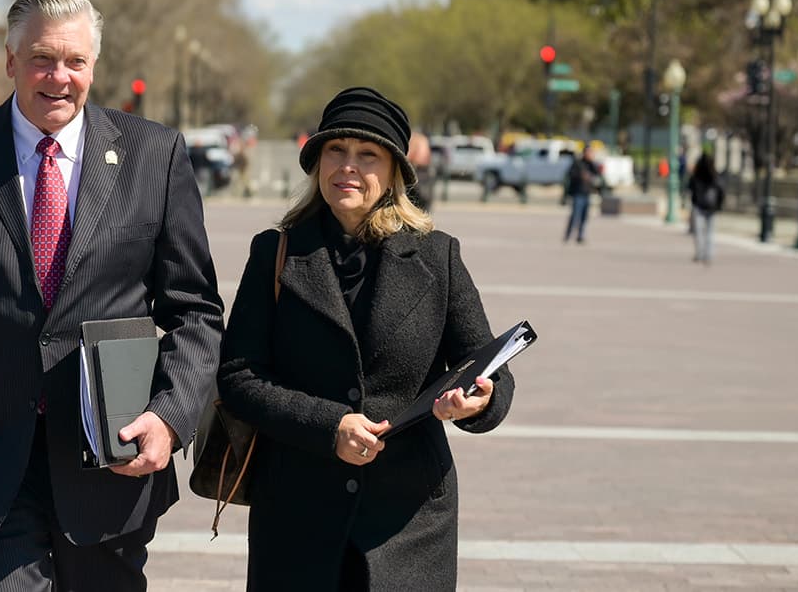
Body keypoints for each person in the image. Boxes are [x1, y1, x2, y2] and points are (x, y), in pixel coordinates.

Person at [0, 0, 224, 591]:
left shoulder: (153, 155)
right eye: (41, 59)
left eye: (76, 62)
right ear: (10, 62)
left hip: (111, 459)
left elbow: (196, 311)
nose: (59, 77)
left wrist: (170, 414)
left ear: (93, 67)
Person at [217, 87, 515, 591]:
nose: (347, 166)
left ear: (395, 171)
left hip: (410, 524)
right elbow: (239, 377)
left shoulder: (438, 257)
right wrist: (329, 425)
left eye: (367, 155)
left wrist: (478, 401)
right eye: (336, 150)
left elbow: (492, 372)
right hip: (297, 516)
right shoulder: (274, 253)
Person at [687, 151, 725, 264]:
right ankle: (708, 255)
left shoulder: (696, 175)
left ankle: (700, 254)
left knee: (699, 232)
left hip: (699, 206)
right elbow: (721, 191)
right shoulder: (715, 175)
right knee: (709, 232)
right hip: (711, 207)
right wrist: (719, 205)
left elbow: (690, 189)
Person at [564, 146, 600, 244]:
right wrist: (580, 175)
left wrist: (592, 163)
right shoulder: (578, 163)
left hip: (587, 193)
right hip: (578, 192)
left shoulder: (591, 164)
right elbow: (570, 174)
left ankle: (580, 236)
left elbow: (597, 174)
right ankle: (568, 235)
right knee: (575, 215)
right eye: (589, 152)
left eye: (591, 153)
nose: (590, 154)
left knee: (584, 216)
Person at [406, 130, 435, 211]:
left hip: (418, 170)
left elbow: (410, 156)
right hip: (425, 170)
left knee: (417, 199)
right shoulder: (423, 140)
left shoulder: (416, 139)